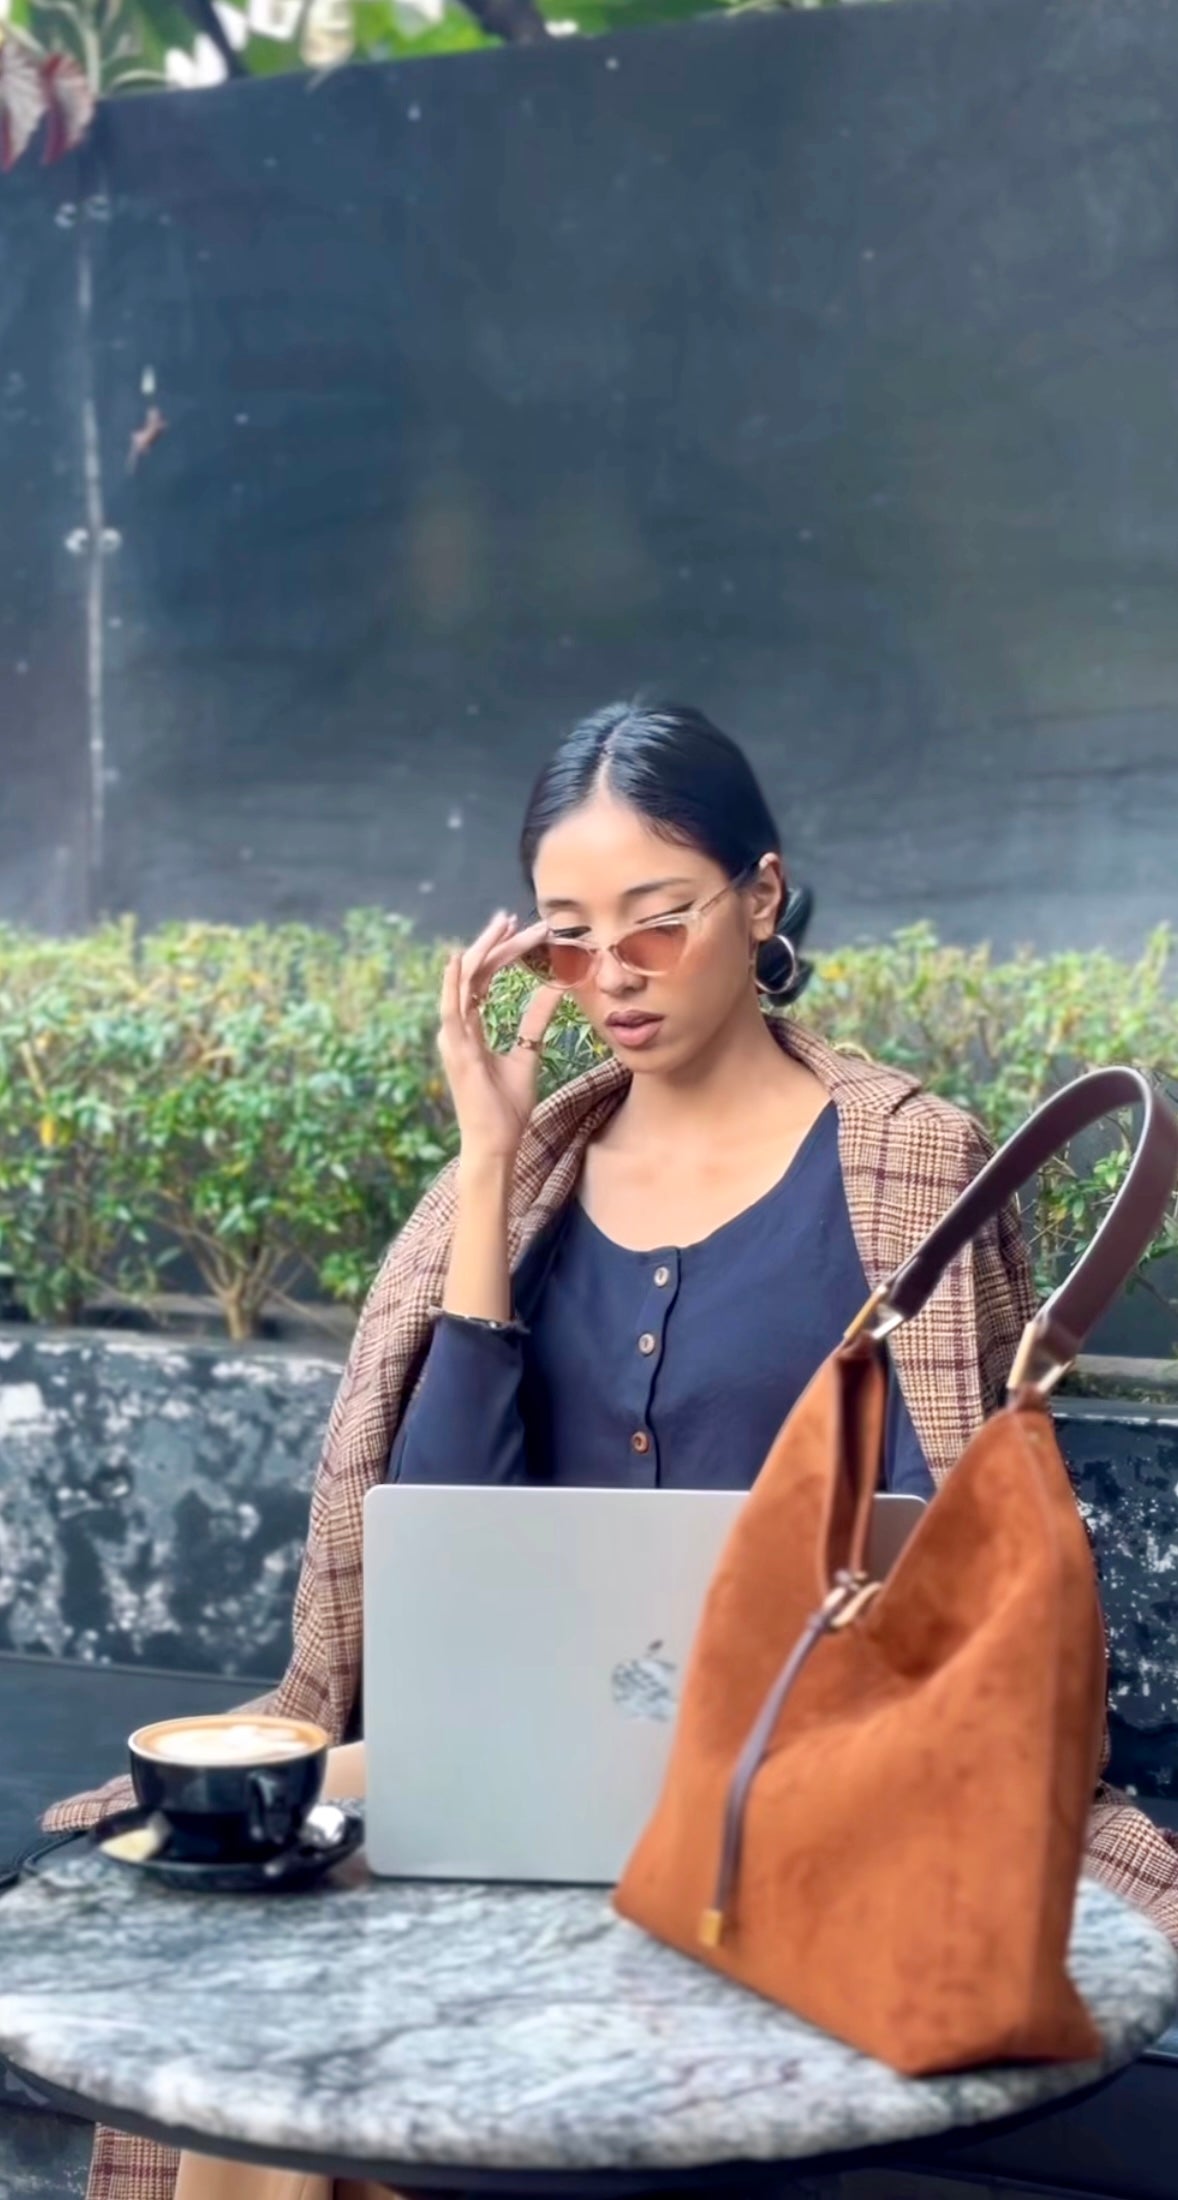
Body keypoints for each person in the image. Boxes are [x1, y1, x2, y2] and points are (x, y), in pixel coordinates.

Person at [44, 701, 1178, 2200]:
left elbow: (943, 1542)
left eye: (656, 920)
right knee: (238, 1918)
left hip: (801, 1757)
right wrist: (486, 1160)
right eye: (568, 940)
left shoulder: (905, 1161)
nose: (612, 976)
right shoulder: (530, 1175)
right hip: (522, 1748)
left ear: (760, 898)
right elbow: (444, 1546)